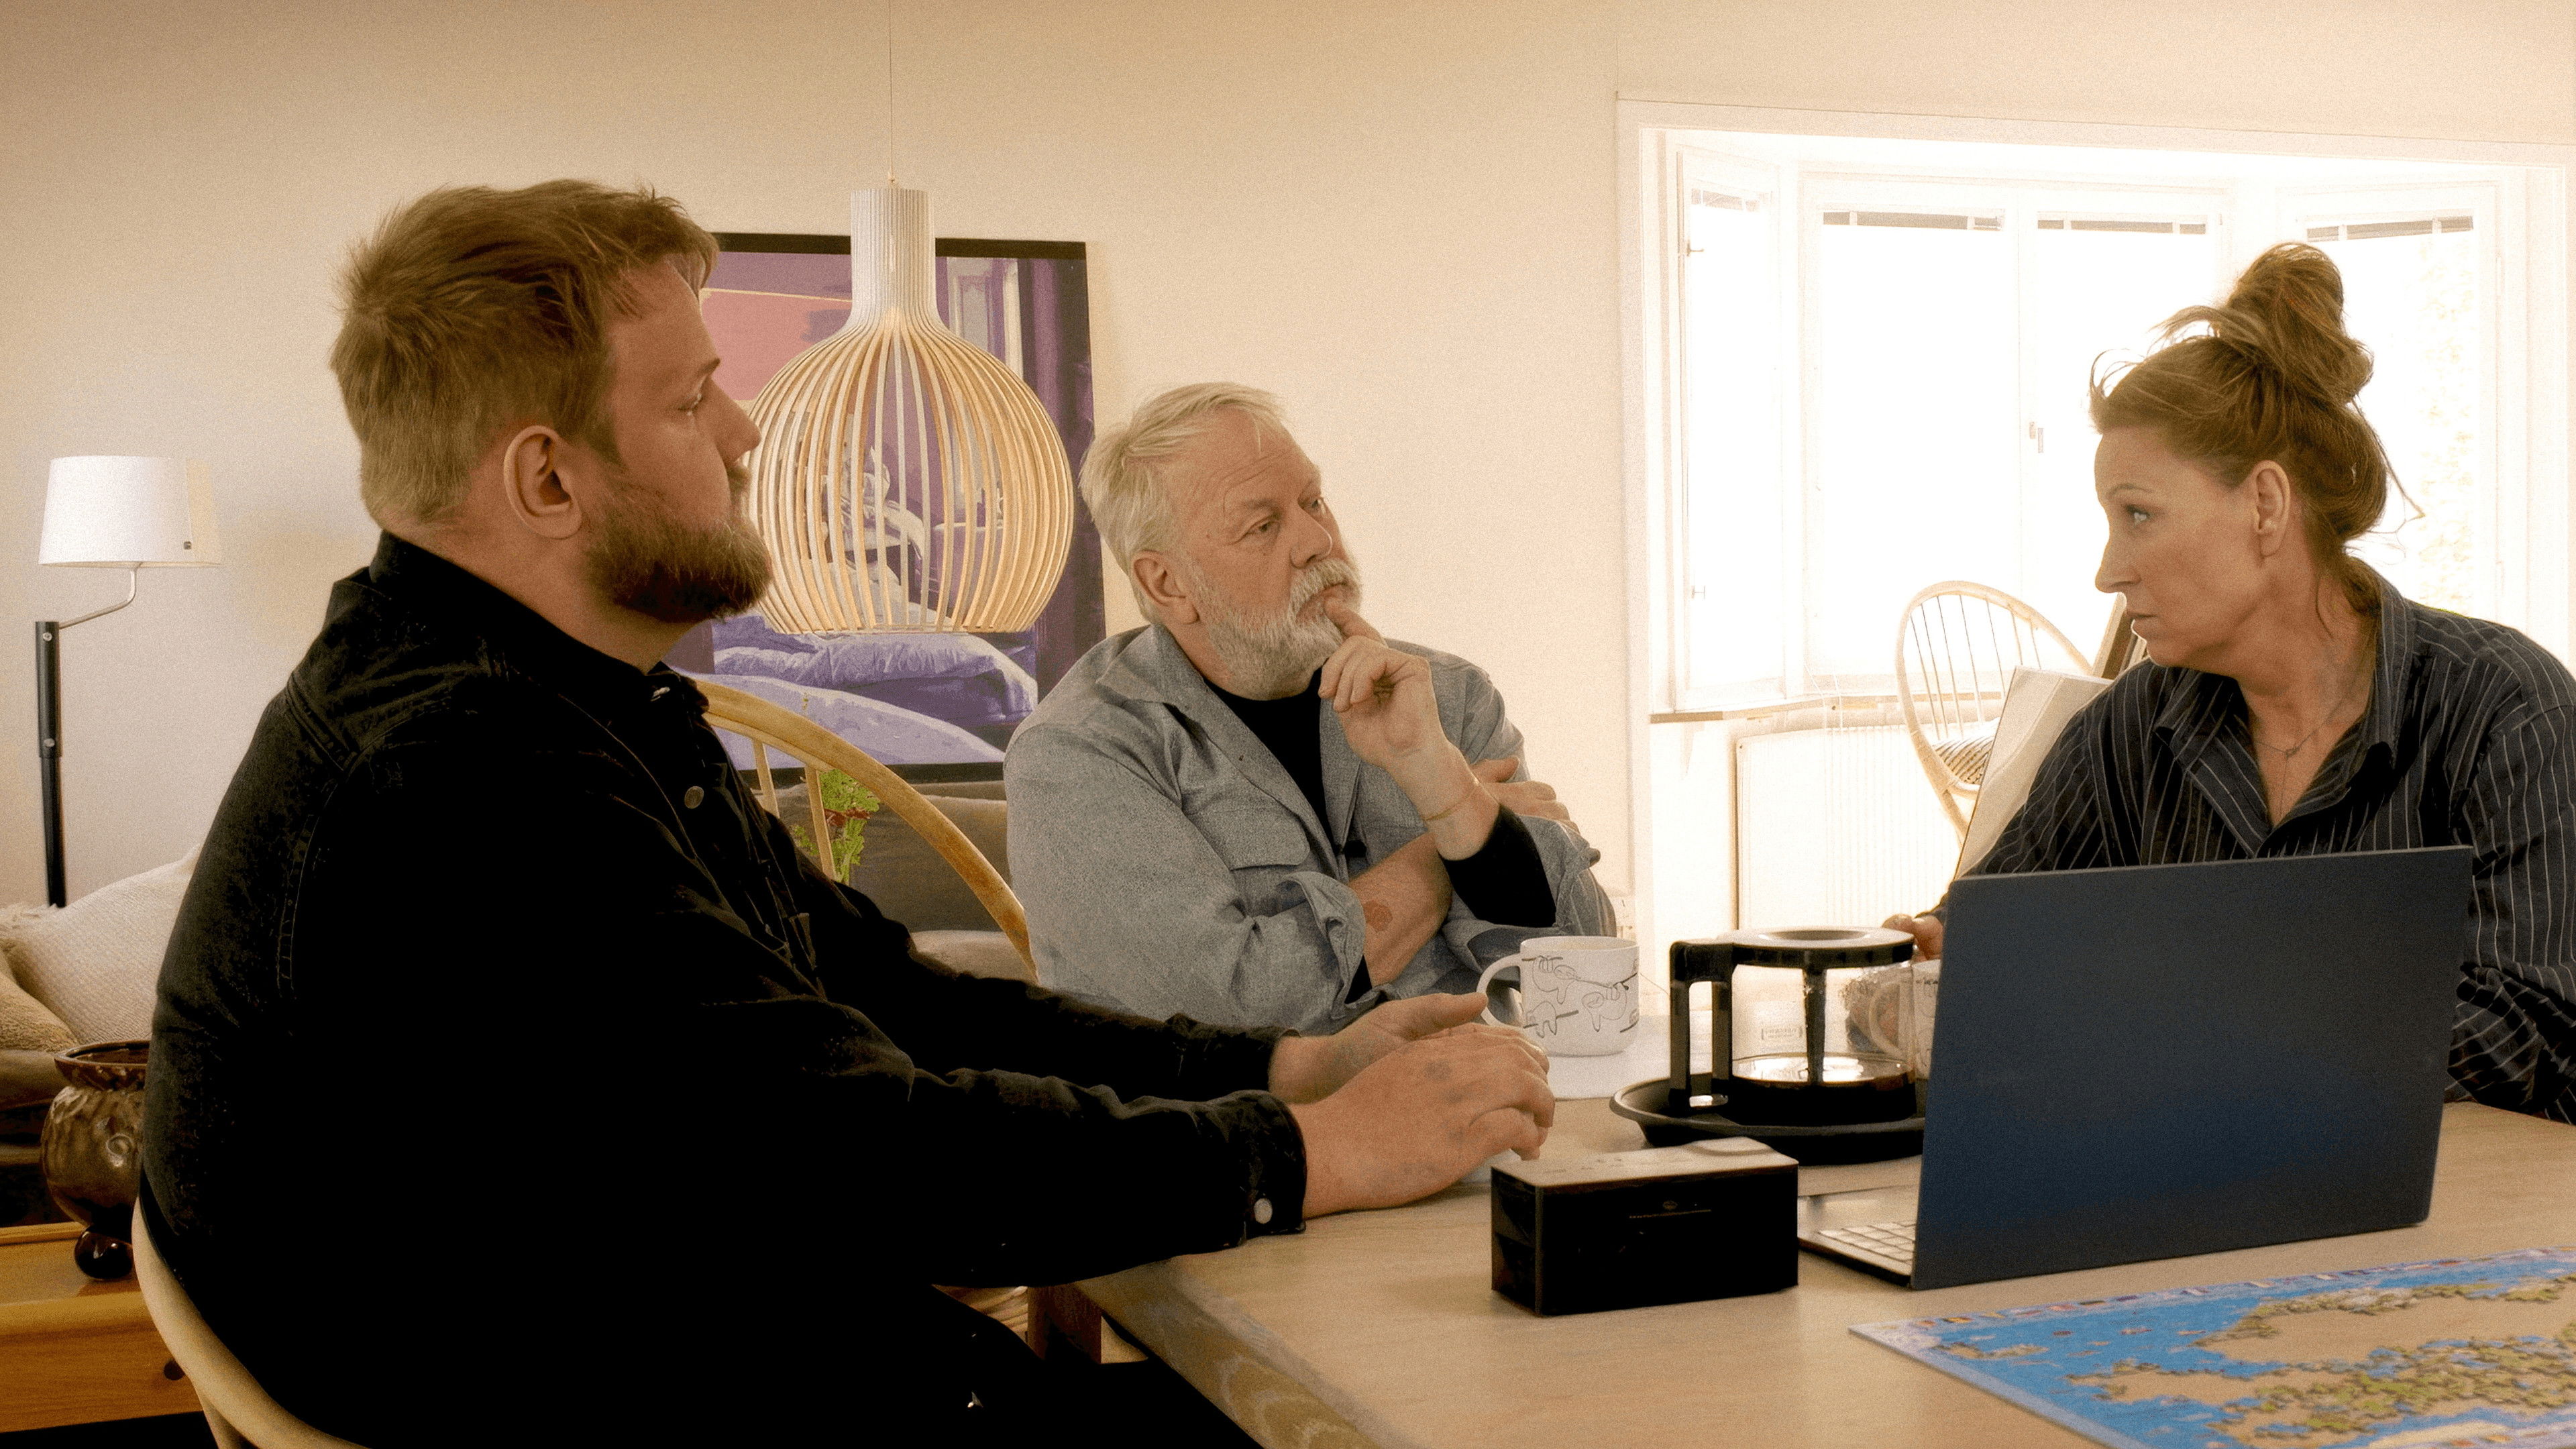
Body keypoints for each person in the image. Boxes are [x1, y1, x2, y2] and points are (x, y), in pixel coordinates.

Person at [142, 182, 1555, 1445]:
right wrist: (1317, 1154)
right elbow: (875, 1159)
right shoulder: (462, 773)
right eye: (694, 401)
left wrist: (1289, 1066)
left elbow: (893, 1000)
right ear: (547, 478)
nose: (747, 432)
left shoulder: (573, 708)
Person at [1888, 242, 2576, 1124]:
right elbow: (1989, 935)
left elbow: (2531, 1029)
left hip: (2478, 1203)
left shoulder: (2506, 710)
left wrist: (2190, 1031)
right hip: (2197, 1186)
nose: (2108, 570)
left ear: (2265, 506)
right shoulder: (2128, 731)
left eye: (2139, 514)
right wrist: (1937, 960)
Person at [1005, 384, 1615, 1036]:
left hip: (1491, 1095)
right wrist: (1451, 839)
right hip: (1266, 1109)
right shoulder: (1079, 753)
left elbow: (1588, 975)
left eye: (1313, 501)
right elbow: (1228, 1012)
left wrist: (1437, 775)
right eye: (1263, 526)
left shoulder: (1447, 694)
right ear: (1168, 583)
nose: (1318, 539)